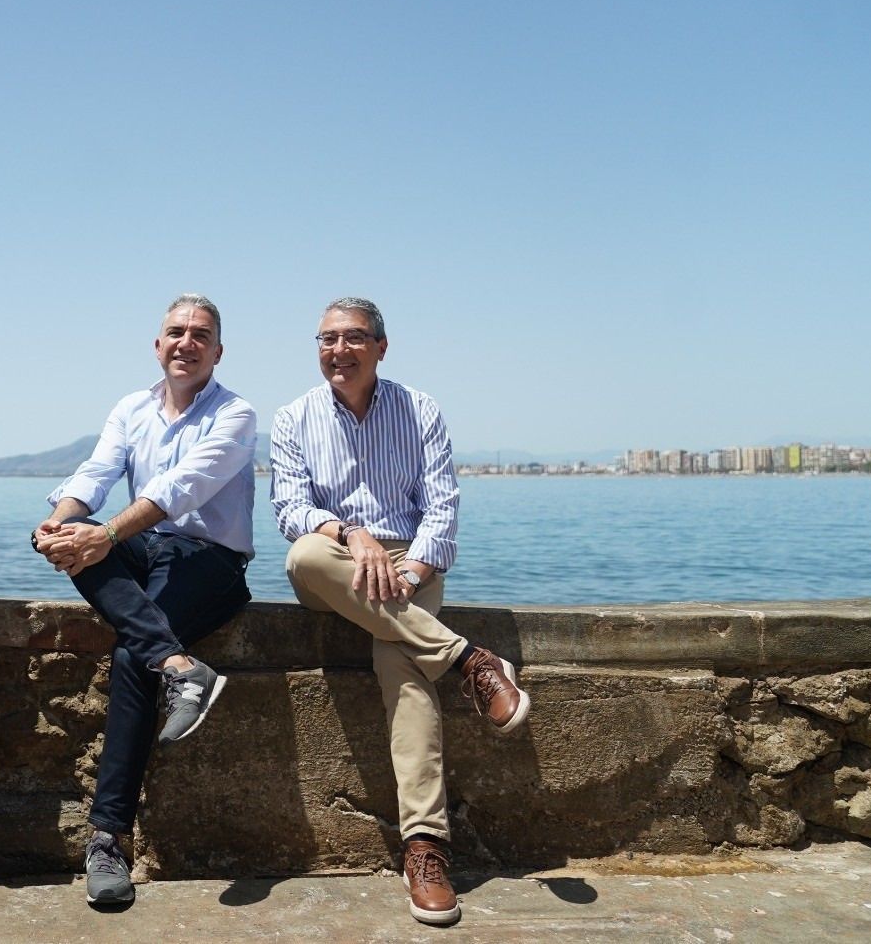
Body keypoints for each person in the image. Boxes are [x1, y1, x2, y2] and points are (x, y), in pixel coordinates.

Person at [270, 296, 530, 927]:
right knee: (303, 556)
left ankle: (426, 847)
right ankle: (469, 659)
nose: (338, 350)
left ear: (381, 347)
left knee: (404, 675)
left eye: (353, 338)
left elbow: (442, 513)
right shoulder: (292, 418)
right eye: (327, 338)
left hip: (411, 565)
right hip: (334, 561)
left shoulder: (422, 412)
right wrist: (350, 534)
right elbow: (291, 509)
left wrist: (408, 570)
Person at [33, 294, 255, 906]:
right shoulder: (132, 408)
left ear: (217, 351)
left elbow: (179, 489)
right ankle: (182, 668)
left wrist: (101, 534)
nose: (186, 342)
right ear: (157, 345)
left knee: (133, 656)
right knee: (72, 544)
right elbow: (95, 475)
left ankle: (105, 840)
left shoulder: (235, 414)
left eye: (200, 335)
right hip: (146, 547)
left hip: (211, 562)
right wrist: (58, 525)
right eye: (175, 332)